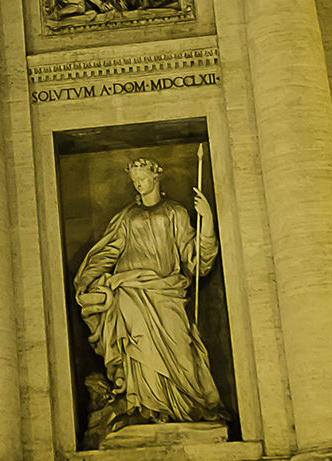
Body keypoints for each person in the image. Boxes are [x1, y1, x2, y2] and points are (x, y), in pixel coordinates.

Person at [74, 158, 224, 428]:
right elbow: (108, 252)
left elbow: (196, 261)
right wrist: (88, 280)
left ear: (156, 177)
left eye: (142, 177)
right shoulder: (126, 218)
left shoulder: (175, 213)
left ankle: (186, 405)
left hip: (167, 293)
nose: (138, 183)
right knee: (138, 348)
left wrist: (208, 219)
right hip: (130, 292)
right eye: (134, 180)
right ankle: (144, 407)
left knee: (182, 350)